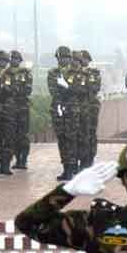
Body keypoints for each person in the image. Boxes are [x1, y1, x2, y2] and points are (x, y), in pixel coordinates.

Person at [50, 46, 80, 180]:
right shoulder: (53, 72)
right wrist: (60, 101)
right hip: (58, 108)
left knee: (71, 139)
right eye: (62, 57)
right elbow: (53, 89)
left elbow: (79, 90)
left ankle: (72, 167)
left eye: (67, 57)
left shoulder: (76, 72)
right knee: (62, 139)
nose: (64, 60)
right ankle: (65, 168)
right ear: (58, 58)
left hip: (72, 109)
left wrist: (67, 86)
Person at [6, 50, 33, 170]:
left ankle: (23, 160)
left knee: (23, 135)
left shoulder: (25, 73)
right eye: (12, 59)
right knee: (11, 135)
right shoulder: (5, 73)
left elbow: (27, 90)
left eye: (16, 59)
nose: (14, 61)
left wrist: (12, 90)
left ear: (19, 60)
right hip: (9, 109)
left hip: (22, 108)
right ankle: (17, 159)